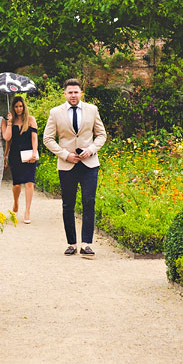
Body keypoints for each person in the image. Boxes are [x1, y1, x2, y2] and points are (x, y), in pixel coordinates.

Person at [43, 79, 107, 258]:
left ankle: (86, 244)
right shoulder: (55, 113)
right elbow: (47, 139)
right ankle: (71, 243)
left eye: (76, 92)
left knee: (89, 202)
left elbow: (101, 134)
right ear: (65, 94)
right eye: (70, 92)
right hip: (67, 164)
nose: (73, 95)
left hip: (89, 163)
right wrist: (65, 154)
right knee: (68, 204)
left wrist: (91, 150)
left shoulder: (92, 110)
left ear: (81, 93)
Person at [2, 95, 38, 224]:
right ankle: (16, 202)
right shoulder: (10, 121)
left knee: (29, 182)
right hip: (15, 155)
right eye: (16, 106)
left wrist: (34, 152)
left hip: (29, 154)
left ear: (24, 106)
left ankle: (27, 211)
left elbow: (34, 138)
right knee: (16, 184)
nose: (19, 109)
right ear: (13, 107)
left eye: (21, 106)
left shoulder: (30, 120)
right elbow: (8, 141)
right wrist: (5, 155)